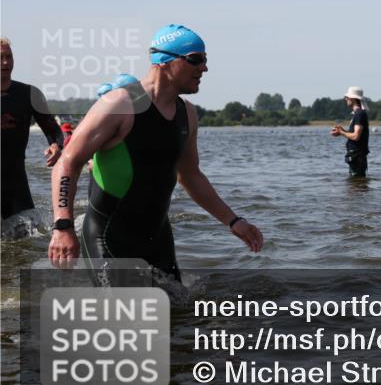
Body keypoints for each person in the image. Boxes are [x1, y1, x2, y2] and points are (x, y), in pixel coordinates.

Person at [47, 24, 264, 278]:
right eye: (195, 59)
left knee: (179, 315)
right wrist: (63, 226)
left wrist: (233, 221)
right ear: (164, 61)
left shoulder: (188, 114)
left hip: (157, 237)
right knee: (125, 317)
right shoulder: (119, 104)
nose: (204, 67)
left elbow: (191, 176)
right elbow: (67, 163)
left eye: (205, 59)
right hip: (108, 238)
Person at [1, 37, 64, 222]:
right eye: (1, 57)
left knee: (24, 242)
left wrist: (55, 145)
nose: (5, 62)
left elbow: (54, 131)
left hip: (16, 182)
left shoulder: (29, 94)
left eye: (9, 57)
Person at [331, 86, 370, 176]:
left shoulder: (359, 114)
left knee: (355, 186)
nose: (345, 99)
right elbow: (355, 134)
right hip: (356, 156)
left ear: (353, 99)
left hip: (357, 156)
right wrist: (342, 130)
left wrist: (341, 132)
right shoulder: (358, 113)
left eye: (347, 97)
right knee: (356, 185)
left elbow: (356, 136)